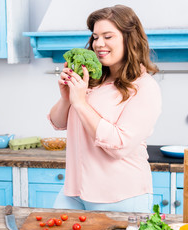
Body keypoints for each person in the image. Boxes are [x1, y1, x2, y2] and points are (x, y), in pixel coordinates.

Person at [48, 4, 161, 213]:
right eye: (95, 37)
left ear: (130, 38)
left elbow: (119, 145)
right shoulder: (93, 80)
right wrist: (67, 98)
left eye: (108, 36)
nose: (99, 44)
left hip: (120, 195)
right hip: (74, 192)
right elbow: (58, 122)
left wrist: (80, 103)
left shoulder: (144, 87)